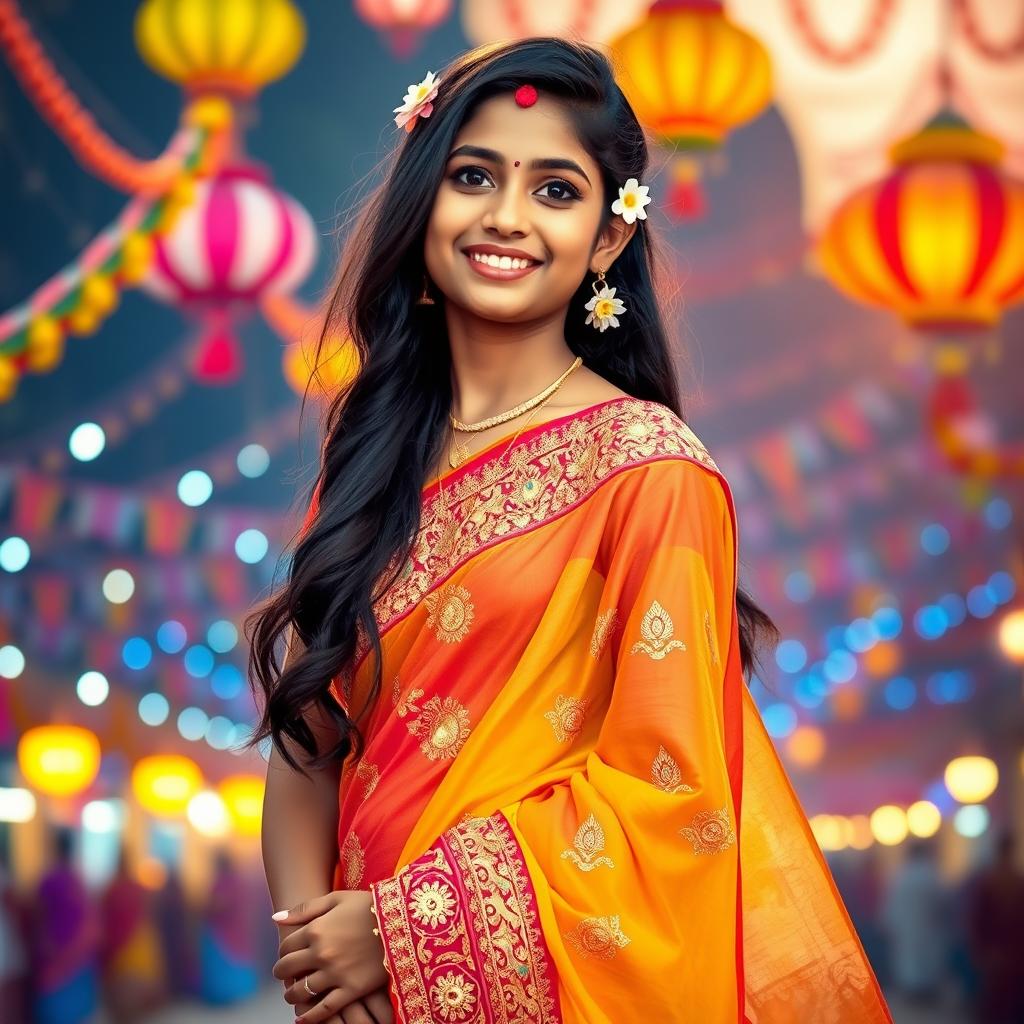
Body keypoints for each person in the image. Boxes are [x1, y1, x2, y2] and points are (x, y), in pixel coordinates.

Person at [249, 37, 893, 1024]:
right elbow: (309, 739)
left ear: (605, 238)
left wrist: (400, 933)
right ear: (425, 205)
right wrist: (322, 963)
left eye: (555, 190)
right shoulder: (370, 461)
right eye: (473, 176)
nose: (506, 216)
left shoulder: (648, 470)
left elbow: (671, 795)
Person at [28, 826, 101, 1024]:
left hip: (60, 953)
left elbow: (39, 916)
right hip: (76, 955)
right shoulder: (79, 880)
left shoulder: (50, 879)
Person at [881, 839, 950, 1005]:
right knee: (926, 962)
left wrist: (890, 925)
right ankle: (925, 993)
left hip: (908, 929)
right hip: (928, 929)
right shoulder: (932, 875)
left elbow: (892, 905)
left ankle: (914, 994)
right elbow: (943, 903)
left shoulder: (903, 877)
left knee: (910, 962)